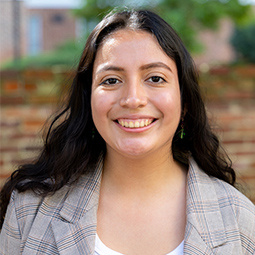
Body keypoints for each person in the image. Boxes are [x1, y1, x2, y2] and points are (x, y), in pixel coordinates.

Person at [0, 9, 254, 255]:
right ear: (89, 101)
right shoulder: (29, 210)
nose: (133, 99)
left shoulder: (240, 220)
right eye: (111, 80)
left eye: (155, 78)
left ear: (184, 101)